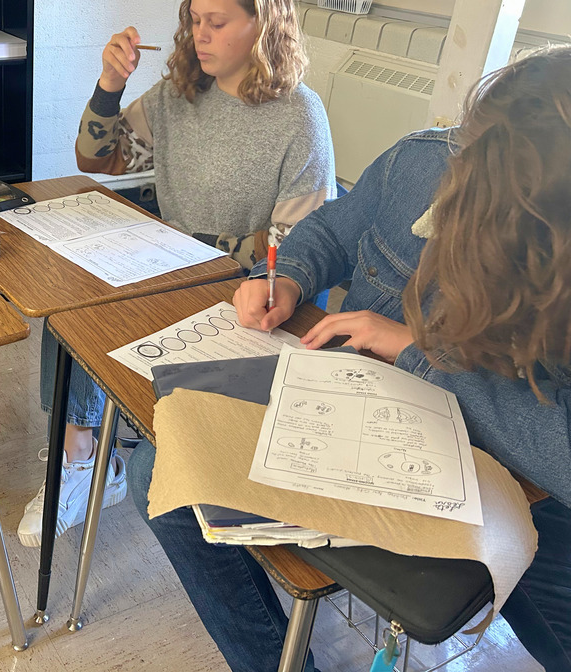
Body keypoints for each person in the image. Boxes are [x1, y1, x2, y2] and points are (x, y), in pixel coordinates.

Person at [128, 45, 571, 671]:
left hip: (520, 477)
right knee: (165, 473)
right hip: (361, 409)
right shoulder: (426, 160)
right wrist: (286, 279)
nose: (459, 207)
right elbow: (333, 228)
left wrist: (419, 354)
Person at [18, 0, 336, 548]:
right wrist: (110, 85)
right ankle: (84, 462)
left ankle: (98, 458)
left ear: (262, 23)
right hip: (171, 268)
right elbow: (99, 157)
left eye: (217, 23)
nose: (200, 35)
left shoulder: (299, 116)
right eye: (194, 20)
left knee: (106, 310)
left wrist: (203, 249)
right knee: (71, 302)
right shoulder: (178, 96)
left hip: (245, 298)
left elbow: (300, 249)